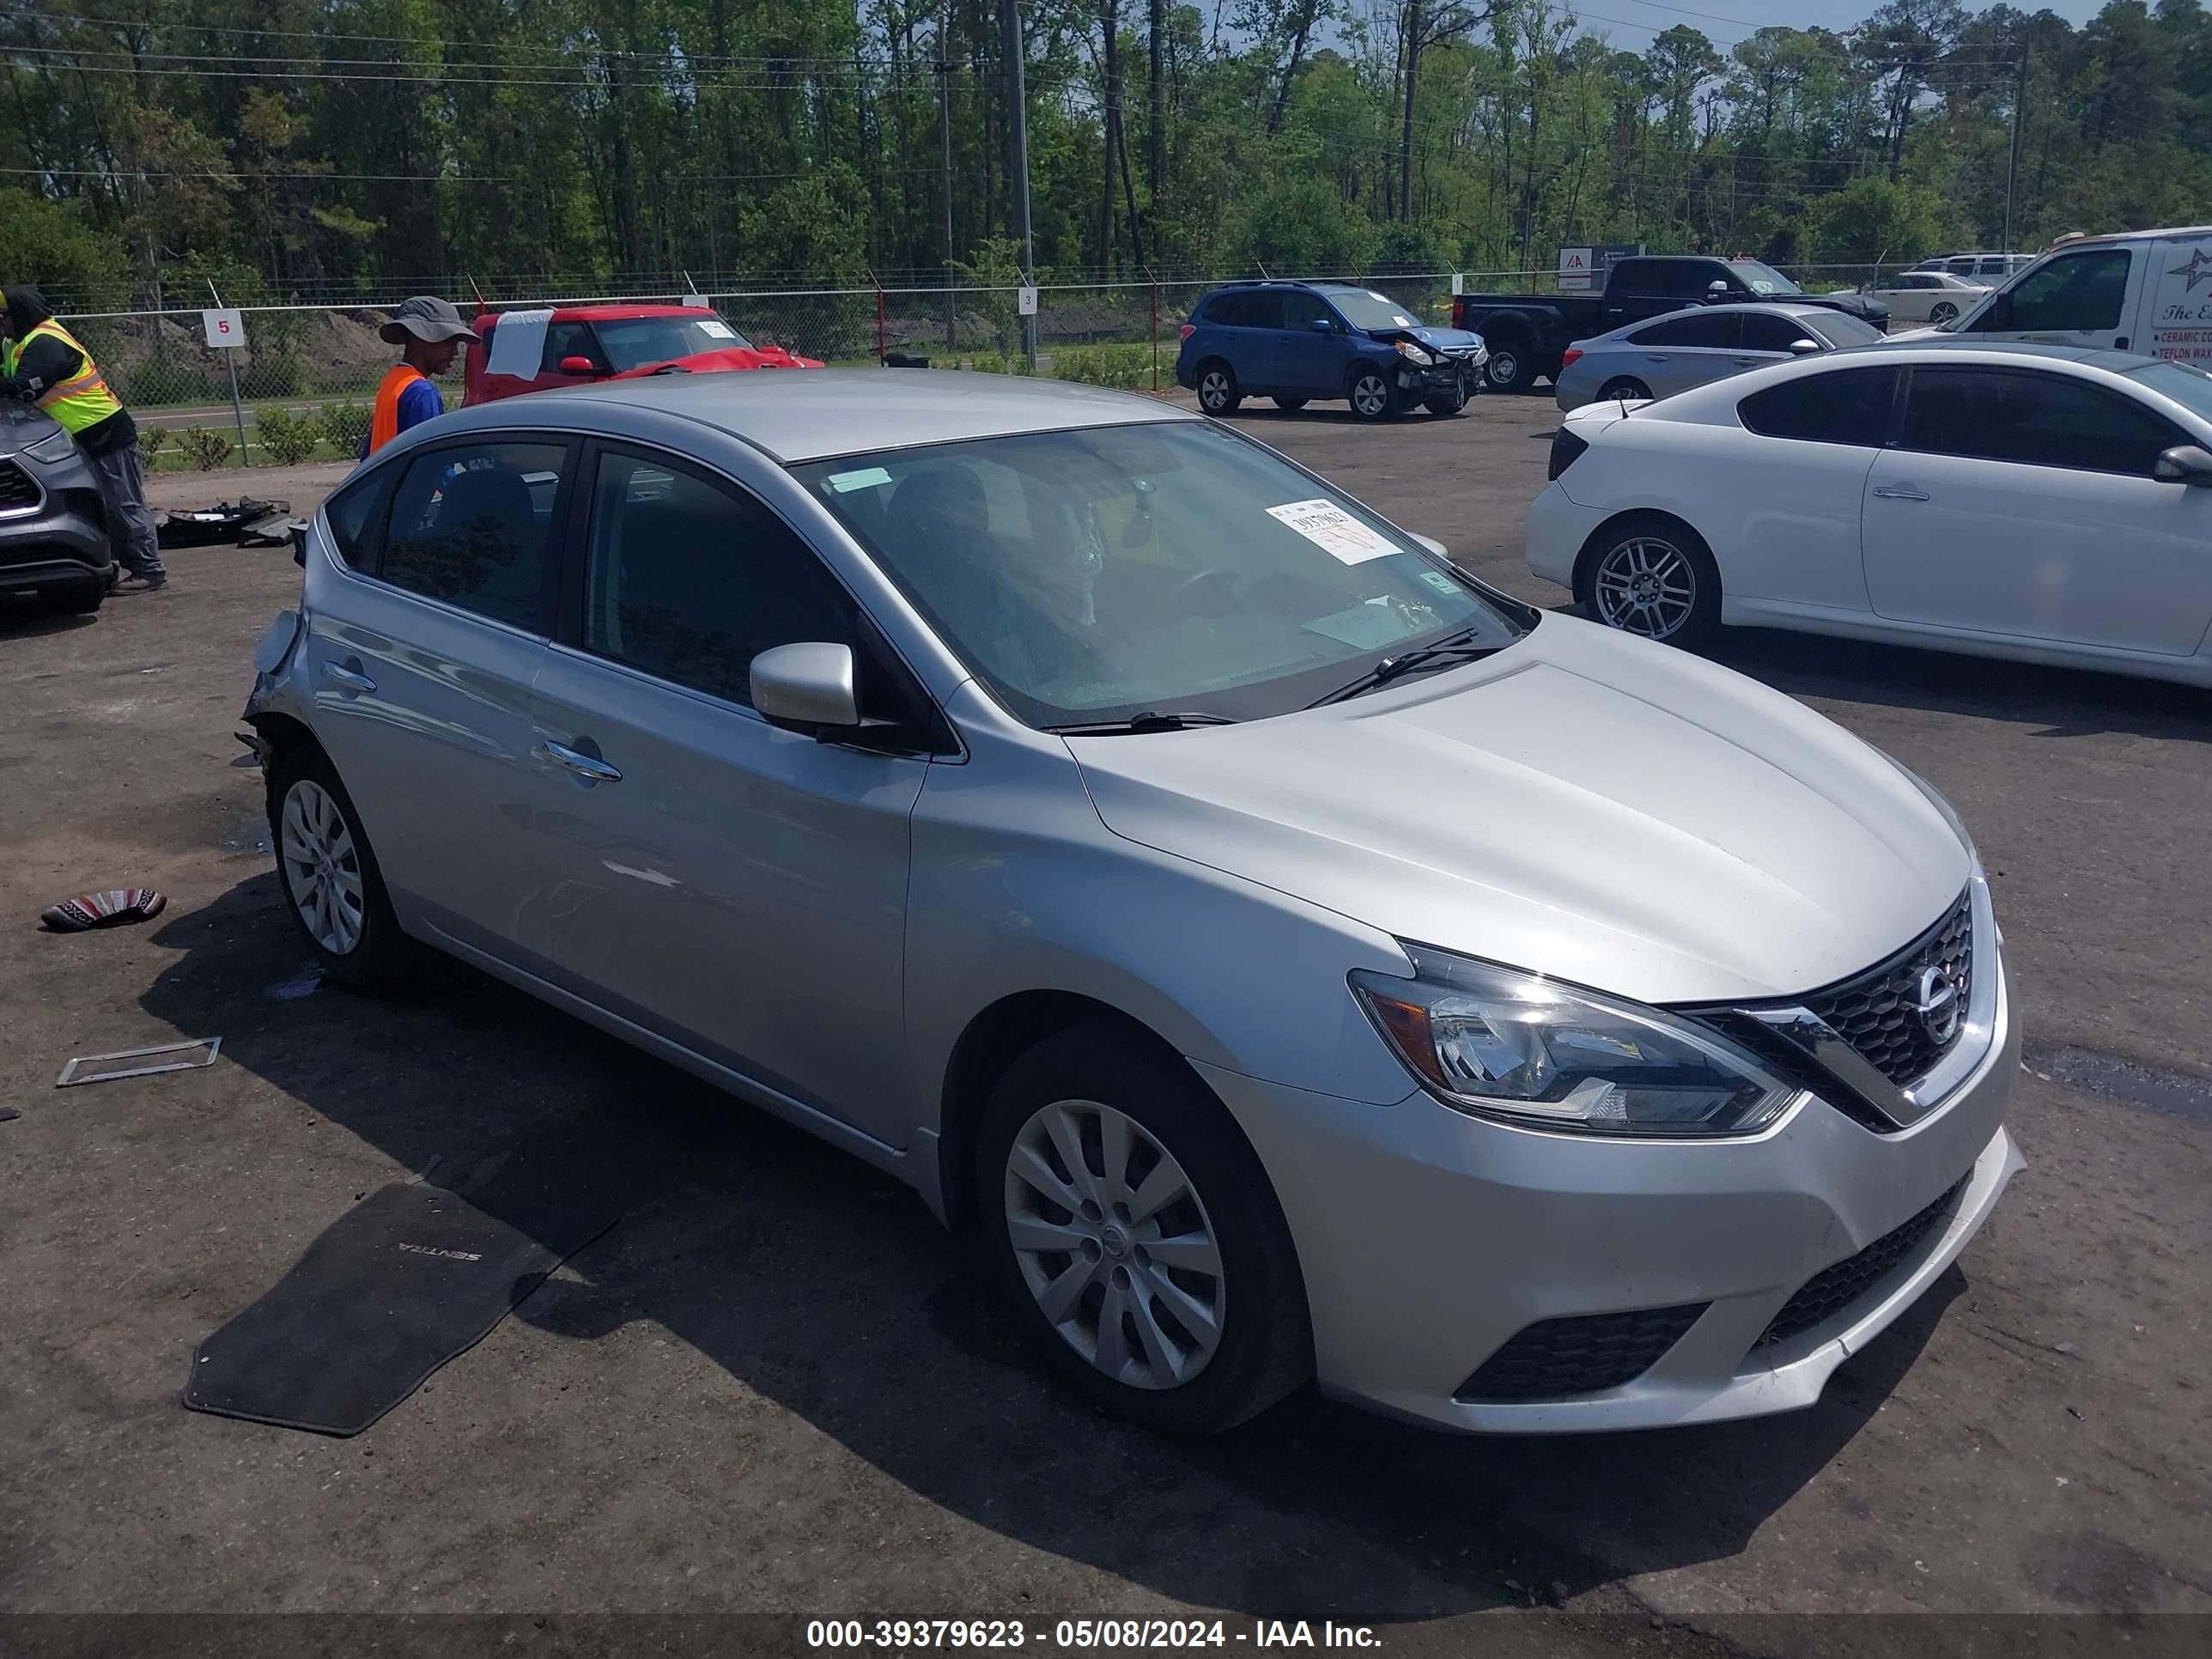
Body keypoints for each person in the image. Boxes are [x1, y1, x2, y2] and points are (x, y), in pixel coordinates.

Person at [1, 284, 166, 588]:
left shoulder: (46, 342)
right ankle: (118, 563)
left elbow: (22, 388)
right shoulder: (17, 343)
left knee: (124, 504)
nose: (2, 325)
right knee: (98, 506)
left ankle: (149, 569)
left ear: (20, 315)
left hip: (105, 431)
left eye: (4, 317)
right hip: (76, 439)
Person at [367, 295, 481, 457]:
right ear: (421, 337)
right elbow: (431, 460)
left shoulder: (392, 382)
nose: (455, 352)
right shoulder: (422, 393)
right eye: (449, 341)